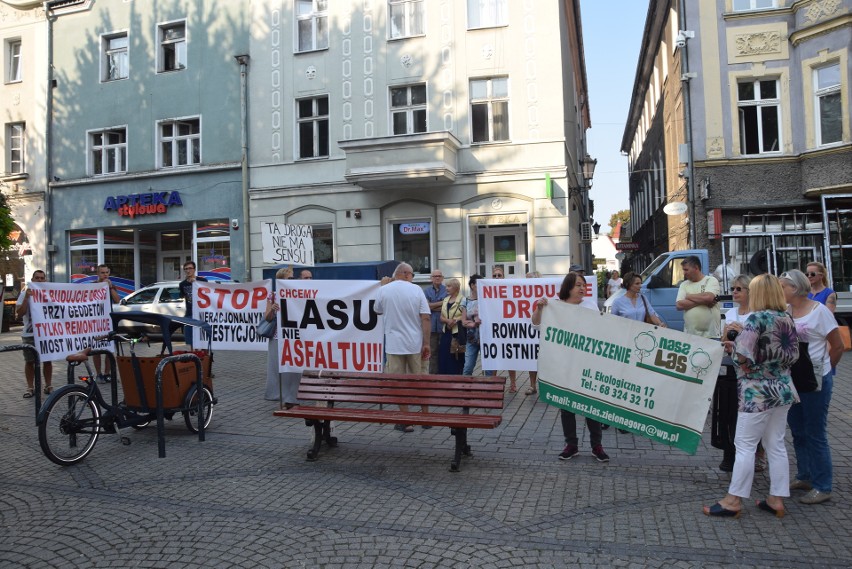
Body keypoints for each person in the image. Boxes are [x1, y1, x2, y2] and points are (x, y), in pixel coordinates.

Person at [703, 274, 799, 518]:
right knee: (775, 444)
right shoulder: (786, 317)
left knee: (744, 445)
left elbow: (743, 355)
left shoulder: (757, 318)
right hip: (783, 388)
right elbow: (793, 354)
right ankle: (776, 498)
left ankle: (733, 500)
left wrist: (732, 349)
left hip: (757, 392)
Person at [780, 269, 844, 505]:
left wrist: (825, 369)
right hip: (792, 378)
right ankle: (805, 475)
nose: (780, 291)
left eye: (783, 286)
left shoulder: (820, 312)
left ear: (795, 288)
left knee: (816, 433)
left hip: (815, 379)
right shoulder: (785, 311)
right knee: (797, 430)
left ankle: (823, 485)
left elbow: (837, 345)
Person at [532, 271, 610, 463]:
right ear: (568, 287)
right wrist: (540, 309)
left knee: (591, 407)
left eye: (584, 285)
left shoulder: (590, 305)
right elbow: (536, 324)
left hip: (587, 364)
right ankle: (571, 445)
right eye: (578, 285)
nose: (582, 288)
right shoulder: (554, 306)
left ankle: (596, 446)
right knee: (567, 407)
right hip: (565, 365)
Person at [713, 275, 762, 473]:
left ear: (750, 292)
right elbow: (724, 339)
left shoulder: (757, 314)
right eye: (733, 288)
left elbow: (758, 340)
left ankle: (757, 455)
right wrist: (728, 333)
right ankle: (729, 454)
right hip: (733, 369)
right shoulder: (731, 311)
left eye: (739, 289)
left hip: (752, 371)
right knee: (730, 413)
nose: (734, 292)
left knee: (751, 416)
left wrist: (742, 330)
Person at [375, 262, 431, 432]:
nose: (413, 278)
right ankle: (425, 417)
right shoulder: (416, 290)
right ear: (406, 274)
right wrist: (427, 343)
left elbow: (377, 310)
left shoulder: (384, 289)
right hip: (415, 343)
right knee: (420, 380)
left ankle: (407, 420)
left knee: (398, 383)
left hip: (393, 345)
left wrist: (384, 286)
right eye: (412, 275)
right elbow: (426, 318)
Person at [263, 267, 301, 408]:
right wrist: (272, 308)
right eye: (290, 278)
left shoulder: (297, 294)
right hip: (277, 337)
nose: (293, 280)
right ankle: (280, 396)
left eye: (293, 278)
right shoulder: (272, 295)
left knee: (293, 370)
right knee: (277, 368)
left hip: (293, 336)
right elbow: (267, 318)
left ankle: (292, 398)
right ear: (281, 280)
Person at [15, 270, 53, 397]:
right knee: (29, 361)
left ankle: (48, 385)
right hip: (30, 334)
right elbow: (18, 314)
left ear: (45, 280)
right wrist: (26, 297)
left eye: (42, 278)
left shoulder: (50, 293)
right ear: (32, 279)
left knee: (47, 360)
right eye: (37, 278)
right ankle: (30, 387)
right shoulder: (25, 293)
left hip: (46, 333)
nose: (40, 280)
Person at [676, 255, 721, 338]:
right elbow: (679, 305)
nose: (684, 273)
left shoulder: (711, 280)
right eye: (683, 270)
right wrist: (704, 301)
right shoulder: (683, 285)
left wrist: (688, 296)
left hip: (711, 335)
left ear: (696, 268)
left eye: (686, 269)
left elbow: (709, 297)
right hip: (690, 336)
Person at [93, 264, 121, 382]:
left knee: (109, 348)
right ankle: (99, 374)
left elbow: (117, 300)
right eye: (102, 273)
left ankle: (107, 373)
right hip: (95, 321)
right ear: (98, 274)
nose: (105, 275)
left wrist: (110, 288)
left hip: (108, 321)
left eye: (106, 272)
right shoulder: (92, 286)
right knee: (96, 349)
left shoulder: (111, 285)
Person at [438, 278, 465, 375]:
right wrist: (447, 320)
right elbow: (441, 317)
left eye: (449, 286)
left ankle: (457, 377)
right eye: (446, 286)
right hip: (446, 332)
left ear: (456, 288)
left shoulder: (463, 300)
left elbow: (467, 316)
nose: (446, 288)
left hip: (457, 333)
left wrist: (456, 320)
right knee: (444, 356)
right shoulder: (445, 300)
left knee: (456, 356)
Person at [179, 261, 208, 349]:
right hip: (190, 313)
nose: (188, 271)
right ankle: (193, 355)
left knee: (203, 336)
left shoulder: (202, 281)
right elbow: (182, 296)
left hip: (201, 313)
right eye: (186, 269)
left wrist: (195, 283)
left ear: (194, 269)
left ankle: (204, 357)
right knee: (190, 338)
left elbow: (208, 294)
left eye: (190, 268)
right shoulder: (182, 284)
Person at [423, 269, 447, 374]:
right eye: (435, 276)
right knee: (432, 352)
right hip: (431, 326)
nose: (437, 278)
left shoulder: (447, 290)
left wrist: (432, 305)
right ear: (431, 278)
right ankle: (433, 375)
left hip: (444, 327)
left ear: (442, 278)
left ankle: (443, 374)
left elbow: (447, 307)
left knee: (444, 351)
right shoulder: (426, 291)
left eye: (439, 276)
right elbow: (425, 307)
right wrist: (442, 302)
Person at [460, 274, 484, 376]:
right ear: (472, 285)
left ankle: (489, 390)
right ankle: (465, 389)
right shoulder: (465, 301)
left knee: (488, 370)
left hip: (485, 339)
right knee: (468, 368)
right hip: (471, 339)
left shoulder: (486, 299)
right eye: (479, 284)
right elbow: (463, 322)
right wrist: (474, 324)